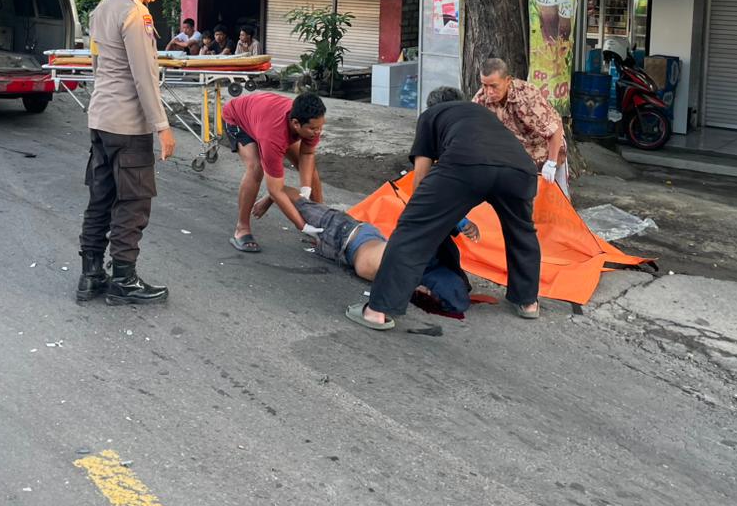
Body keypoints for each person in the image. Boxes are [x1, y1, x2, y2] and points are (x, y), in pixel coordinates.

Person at [347, 86, 542, 331]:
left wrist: (423, 217)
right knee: (522, 233)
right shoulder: (481, 114)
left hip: (465, 165)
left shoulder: (431, 116)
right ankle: (528, 303)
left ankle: (378, 311)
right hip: (521, 171)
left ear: (432, 106)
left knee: (411, 231)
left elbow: (421, 176)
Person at [77, 0, 176, 306]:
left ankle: (90, 276)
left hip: (101, 119)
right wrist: (161, 126)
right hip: (128, 126)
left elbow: (96, 65)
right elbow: (144, 76)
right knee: (133, 202)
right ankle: (123, 279)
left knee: (101, 197)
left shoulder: (103, 8)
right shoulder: (135, 14)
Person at [272, 185, 479, 312]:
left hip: (344, 252)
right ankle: (272, 194)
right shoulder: (412, 257)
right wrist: (461, 222)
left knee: (311, 233)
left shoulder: (412, 279)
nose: (426, 293)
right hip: (350, 234)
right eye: (432, 293)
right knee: (296, 201)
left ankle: (277, 196)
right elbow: (431, 214)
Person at [223, 91, 326, 252]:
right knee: (256, 168)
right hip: (239, 120)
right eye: (314, 128)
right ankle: (241, 228)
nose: (318, 132)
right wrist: (303, 226)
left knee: (309, 168)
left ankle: (320, 220)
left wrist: (305, 192)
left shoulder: (311, 124)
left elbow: (307, 154)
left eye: (320, 126)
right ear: (296, 124)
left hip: (263, 115)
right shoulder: (274, 137)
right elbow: (276, 190)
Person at [472, 57, 567, 188]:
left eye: (494, 86)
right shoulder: (480, 100)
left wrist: (551, 163)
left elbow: (555, 129)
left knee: (556, 197)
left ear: (507, 81)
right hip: (518, 157)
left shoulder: (527, 96)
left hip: (548, 148)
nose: (489, 92)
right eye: (484, 85)